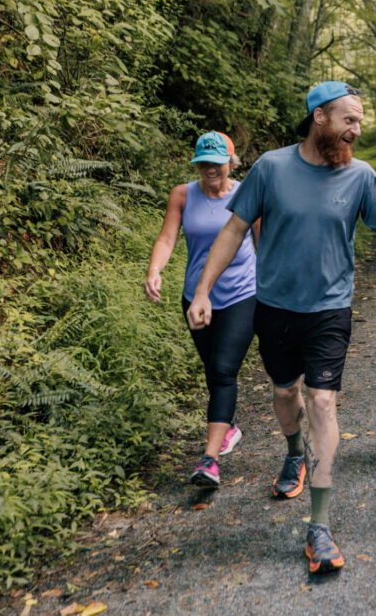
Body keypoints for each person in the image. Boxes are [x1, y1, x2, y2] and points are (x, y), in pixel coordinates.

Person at [186, 80, 376, 575]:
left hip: (330, 310)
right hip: (275, 307)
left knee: (323, 401)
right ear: (319, 117)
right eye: (349, 120)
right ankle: (293, 453)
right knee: (285, 393)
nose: (356, 130)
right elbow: (234, 230)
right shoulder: (270, 167)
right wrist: (203, 291)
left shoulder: (361, 176)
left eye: (359, 122)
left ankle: (320, 525)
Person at [144, 131, 258, 488]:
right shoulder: (183, 194)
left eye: (217, 162)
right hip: (195, 297)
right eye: (203, 162)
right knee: (212, 368)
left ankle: (209, 460)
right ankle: (228, 424)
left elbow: (263, 240)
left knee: (224, 369)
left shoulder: (247, 193)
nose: (210, 168)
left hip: (242, 293)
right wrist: (154, 270)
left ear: (231, 162)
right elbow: (167, 238)